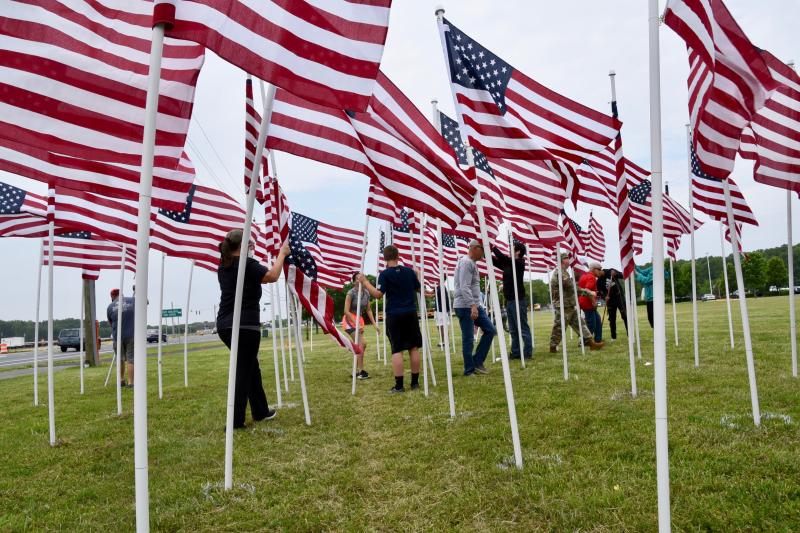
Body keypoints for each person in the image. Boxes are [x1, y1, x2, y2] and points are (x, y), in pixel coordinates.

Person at [217, 230, 289, 429]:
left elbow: (263, 278)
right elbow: (272, 276)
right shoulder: (246, 264)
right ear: (243, 246)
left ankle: (260, 410)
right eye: (251, 244)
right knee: (243, 370)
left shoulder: (224, 266)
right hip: (245, 325)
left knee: (250, 366)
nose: (253, 247)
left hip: (225, 325)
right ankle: (235, 420)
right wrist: (282, 254)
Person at [358, 245, 422, 393]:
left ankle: (399, 386)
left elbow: (378, 294)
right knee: (413, 347)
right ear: (398, 256)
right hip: (411, 312)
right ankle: (415, 383)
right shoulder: (409, 272)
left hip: (394, 314)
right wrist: (416, 276)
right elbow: (418, 288)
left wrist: (365, 282)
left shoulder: (385, 274)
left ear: (385, 258)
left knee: (397, 349)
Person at [454, 240, 496, 375]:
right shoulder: (466, 263)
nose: (484, 253)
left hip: (474, 305)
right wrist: (472, 305)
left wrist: (475, 305)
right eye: (482, 249)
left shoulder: (472, 263)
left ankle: (477, 361)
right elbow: (464, 286)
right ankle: (469, 370)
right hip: (466, 306)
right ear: (475, 248)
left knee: (490, 330)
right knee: (468, 338)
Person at [549, 253, 603, 352]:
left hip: (569, 303)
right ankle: (553, 346)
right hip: (563, 305)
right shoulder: (560, 273)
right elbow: (572, 287)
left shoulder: (564, 272)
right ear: (561, 260)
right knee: (560, 326)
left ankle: (591, 343)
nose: (569, 260)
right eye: (566, 258)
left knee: (580, 324)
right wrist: (588, 292)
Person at [492, 242, 532, 360]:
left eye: (512, 248)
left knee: (522, 327)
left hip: (518, 300)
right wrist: (486, 252)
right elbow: (497, 261)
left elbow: (504, 258)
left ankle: (527, 352)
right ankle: (515, 353)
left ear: (518, 251)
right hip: (510, 300)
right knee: (513, 329)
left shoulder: (519, 263)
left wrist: (494, 248)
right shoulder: (509, 264)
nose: (509, 250)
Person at [342, 273, 377, 380]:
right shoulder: (350, 293)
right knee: (363, 343)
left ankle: (357, 369)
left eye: (361, 278)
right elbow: (346, 311)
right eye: (357, 278)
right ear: (354, 281)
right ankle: (360, 371)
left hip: (359, 320)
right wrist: (355, 322)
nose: (360, 280)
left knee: (360, 345)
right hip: (349, 320)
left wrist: (375, 324)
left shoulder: (366, 293)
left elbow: (368, 310)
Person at [107, 288, 135, 387]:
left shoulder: (110, 307)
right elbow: (146, 301)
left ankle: (121, 380)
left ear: (112, 297)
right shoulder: (133, 301)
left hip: (117, 337)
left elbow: (110, 323)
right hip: (131, 334)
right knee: (131, 359)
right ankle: (131, 382)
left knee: (120, 359)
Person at [635, 264, 669, 328]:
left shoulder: (658, 270)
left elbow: (647, 280)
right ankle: (657, 336)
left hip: (655, 298)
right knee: (651, 318)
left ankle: (660, 336)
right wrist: (635, 266)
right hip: (650, 298)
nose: (652, 260)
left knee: (655, 319)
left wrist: (638, 274)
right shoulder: (652, 268)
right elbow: (643, 272)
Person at [597, 268, 627, 340]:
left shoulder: (610, 271)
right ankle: (613, 337)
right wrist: (604, 297)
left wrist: (616, 274)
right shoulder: (598, 281)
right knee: (612, 319)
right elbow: (600, 292)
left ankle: (630, 335)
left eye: (595, 272)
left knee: (625, 316)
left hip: (619, 298)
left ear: (598, 269)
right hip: (610, 301)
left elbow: (623, 275)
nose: (595, 275)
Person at [578, 262, 604, 344]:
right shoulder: (591, 277)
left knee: (598, 321)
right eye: (599, 269)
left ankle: (598, 339)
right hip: (588, 303)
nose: (600, 271)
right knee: (591, 324)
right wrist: (593, 302)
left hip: (584, 301)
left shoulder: (584, 275)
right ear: (593, 269)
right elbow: (587, 291)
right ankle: (583, 341)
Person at [433, 283, 451, 348]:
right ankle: (443, 341)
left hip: (442, 310)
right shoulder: (437, 287)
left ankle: (446, 342)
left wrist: (448, 309)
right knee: (439, 326)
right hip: (438, 310)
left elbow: (446, 298)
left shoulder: (441, 287)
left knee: (443, 326)